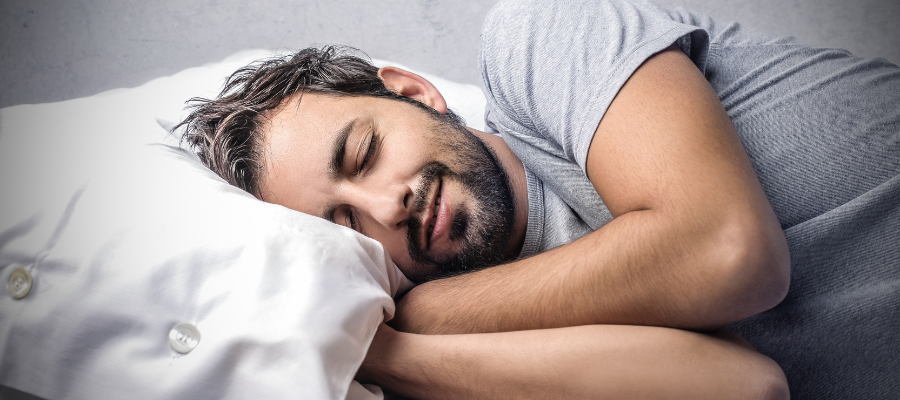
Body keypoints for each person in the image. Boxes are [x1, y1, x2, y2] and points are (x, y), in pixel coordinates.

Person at [176, 0, 899, 398]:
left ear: (412, 92)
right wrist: (387, 356)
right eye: (346, 224)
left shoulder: (540, 36)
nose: (384, 205)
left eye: (363, 155)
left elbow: (727, 252)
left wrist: (412, 317)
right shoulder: (489, 354)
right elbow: (745, 390)